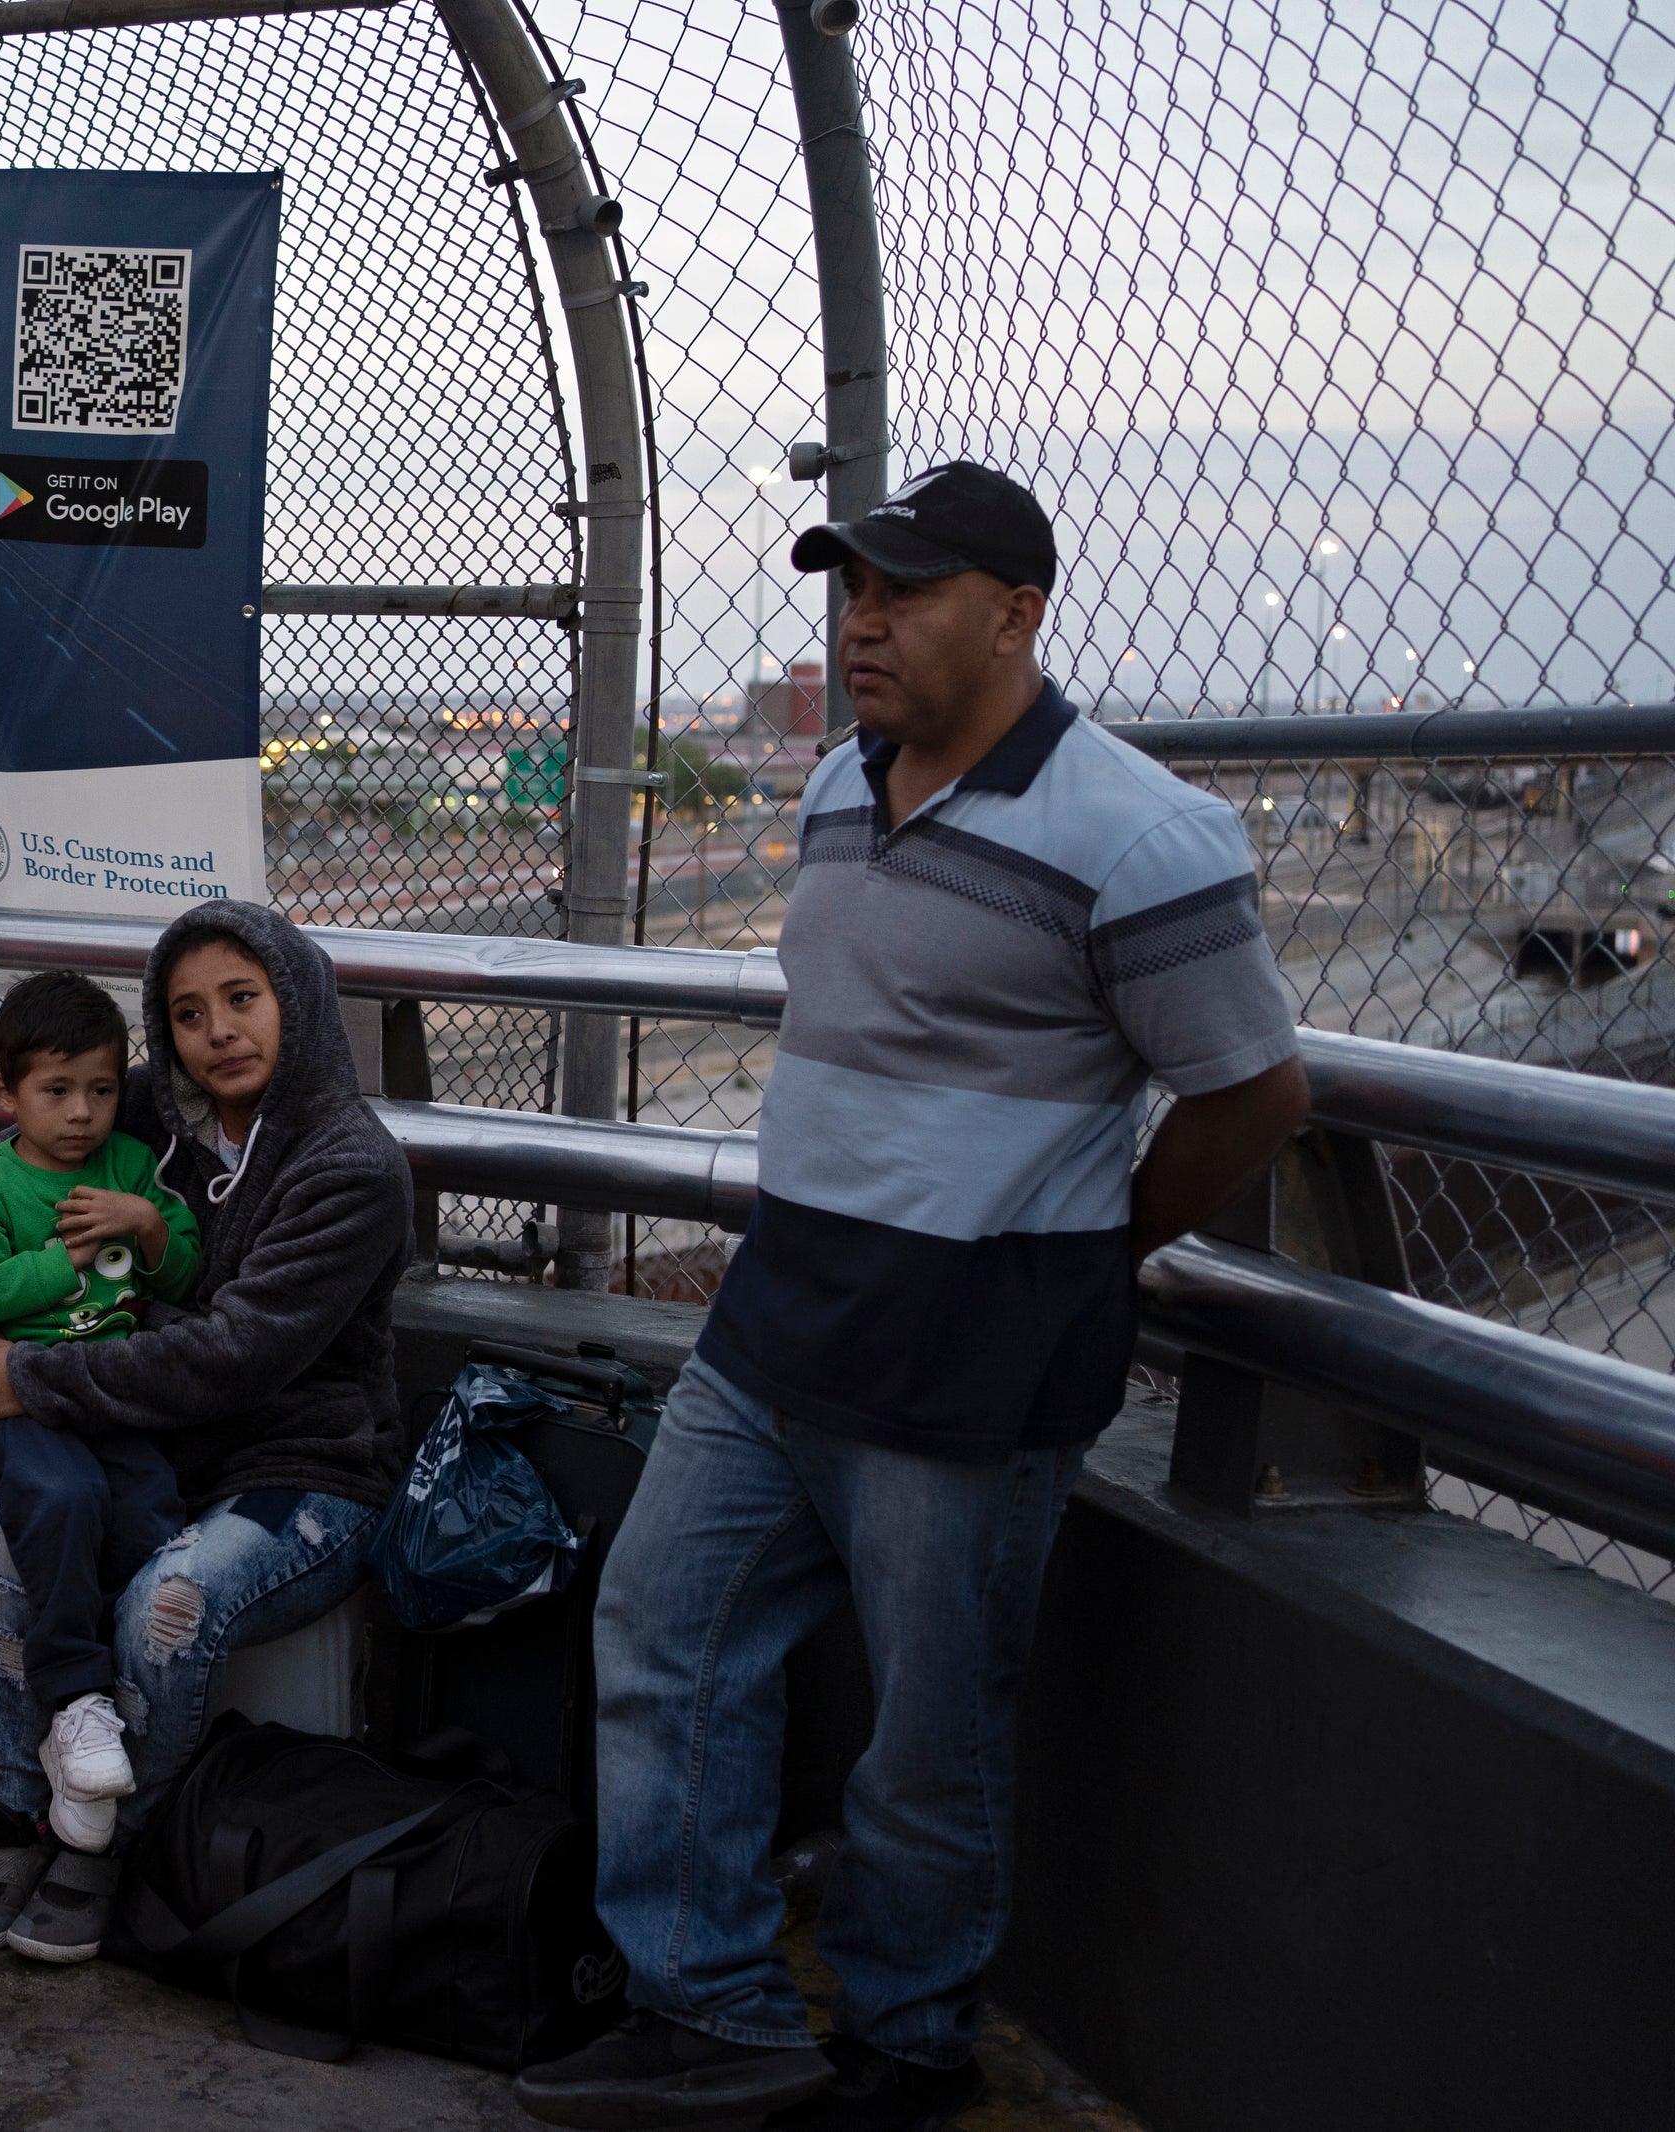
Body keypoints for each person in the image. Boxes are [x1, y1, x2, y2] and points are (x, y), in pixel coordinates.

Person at [516, 463, 1311, 2132]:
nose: (859, 622)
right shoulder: (832, 789)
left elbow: (1251, 1095)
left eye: (905, 593)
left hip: (971, 1361)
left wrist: (1094, 1245)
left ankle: (906, 2038)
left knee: (930, 1734)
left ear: (1017, 612)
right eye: (850, 589)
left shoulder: (1142, 834)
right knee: (666, 1634)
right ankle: (704, 2007)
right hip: (775, 1325)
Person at [0, 901, 411, 1964]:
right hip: (149, 1444)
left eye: (242, 999)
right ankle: (10, 1813)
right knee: (12, 1527)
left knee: (166, 1603)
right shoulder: (136, 1112)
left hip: (304, 1472)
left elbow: (230, 1353)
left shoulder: (347, 1165)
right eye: (187, 1012)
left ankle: (104, 1844)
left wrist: (30, 1374)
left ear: (298, 1004)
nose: (217, 1031)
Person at [0, 971, 202, 1864]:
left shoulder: (128, 1166)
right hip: (15, 1401)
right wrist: (61, 1263)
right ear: (7, 1093)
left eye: (100, 1089)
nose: (81, 1113)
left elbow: (181, 1274)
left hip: (104, 1394)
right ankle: (73, 1702)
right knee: (62, 1497)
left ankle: (111, 1706)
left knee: (152, 1509)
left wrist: (149, 1226)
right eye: (56, 1091)